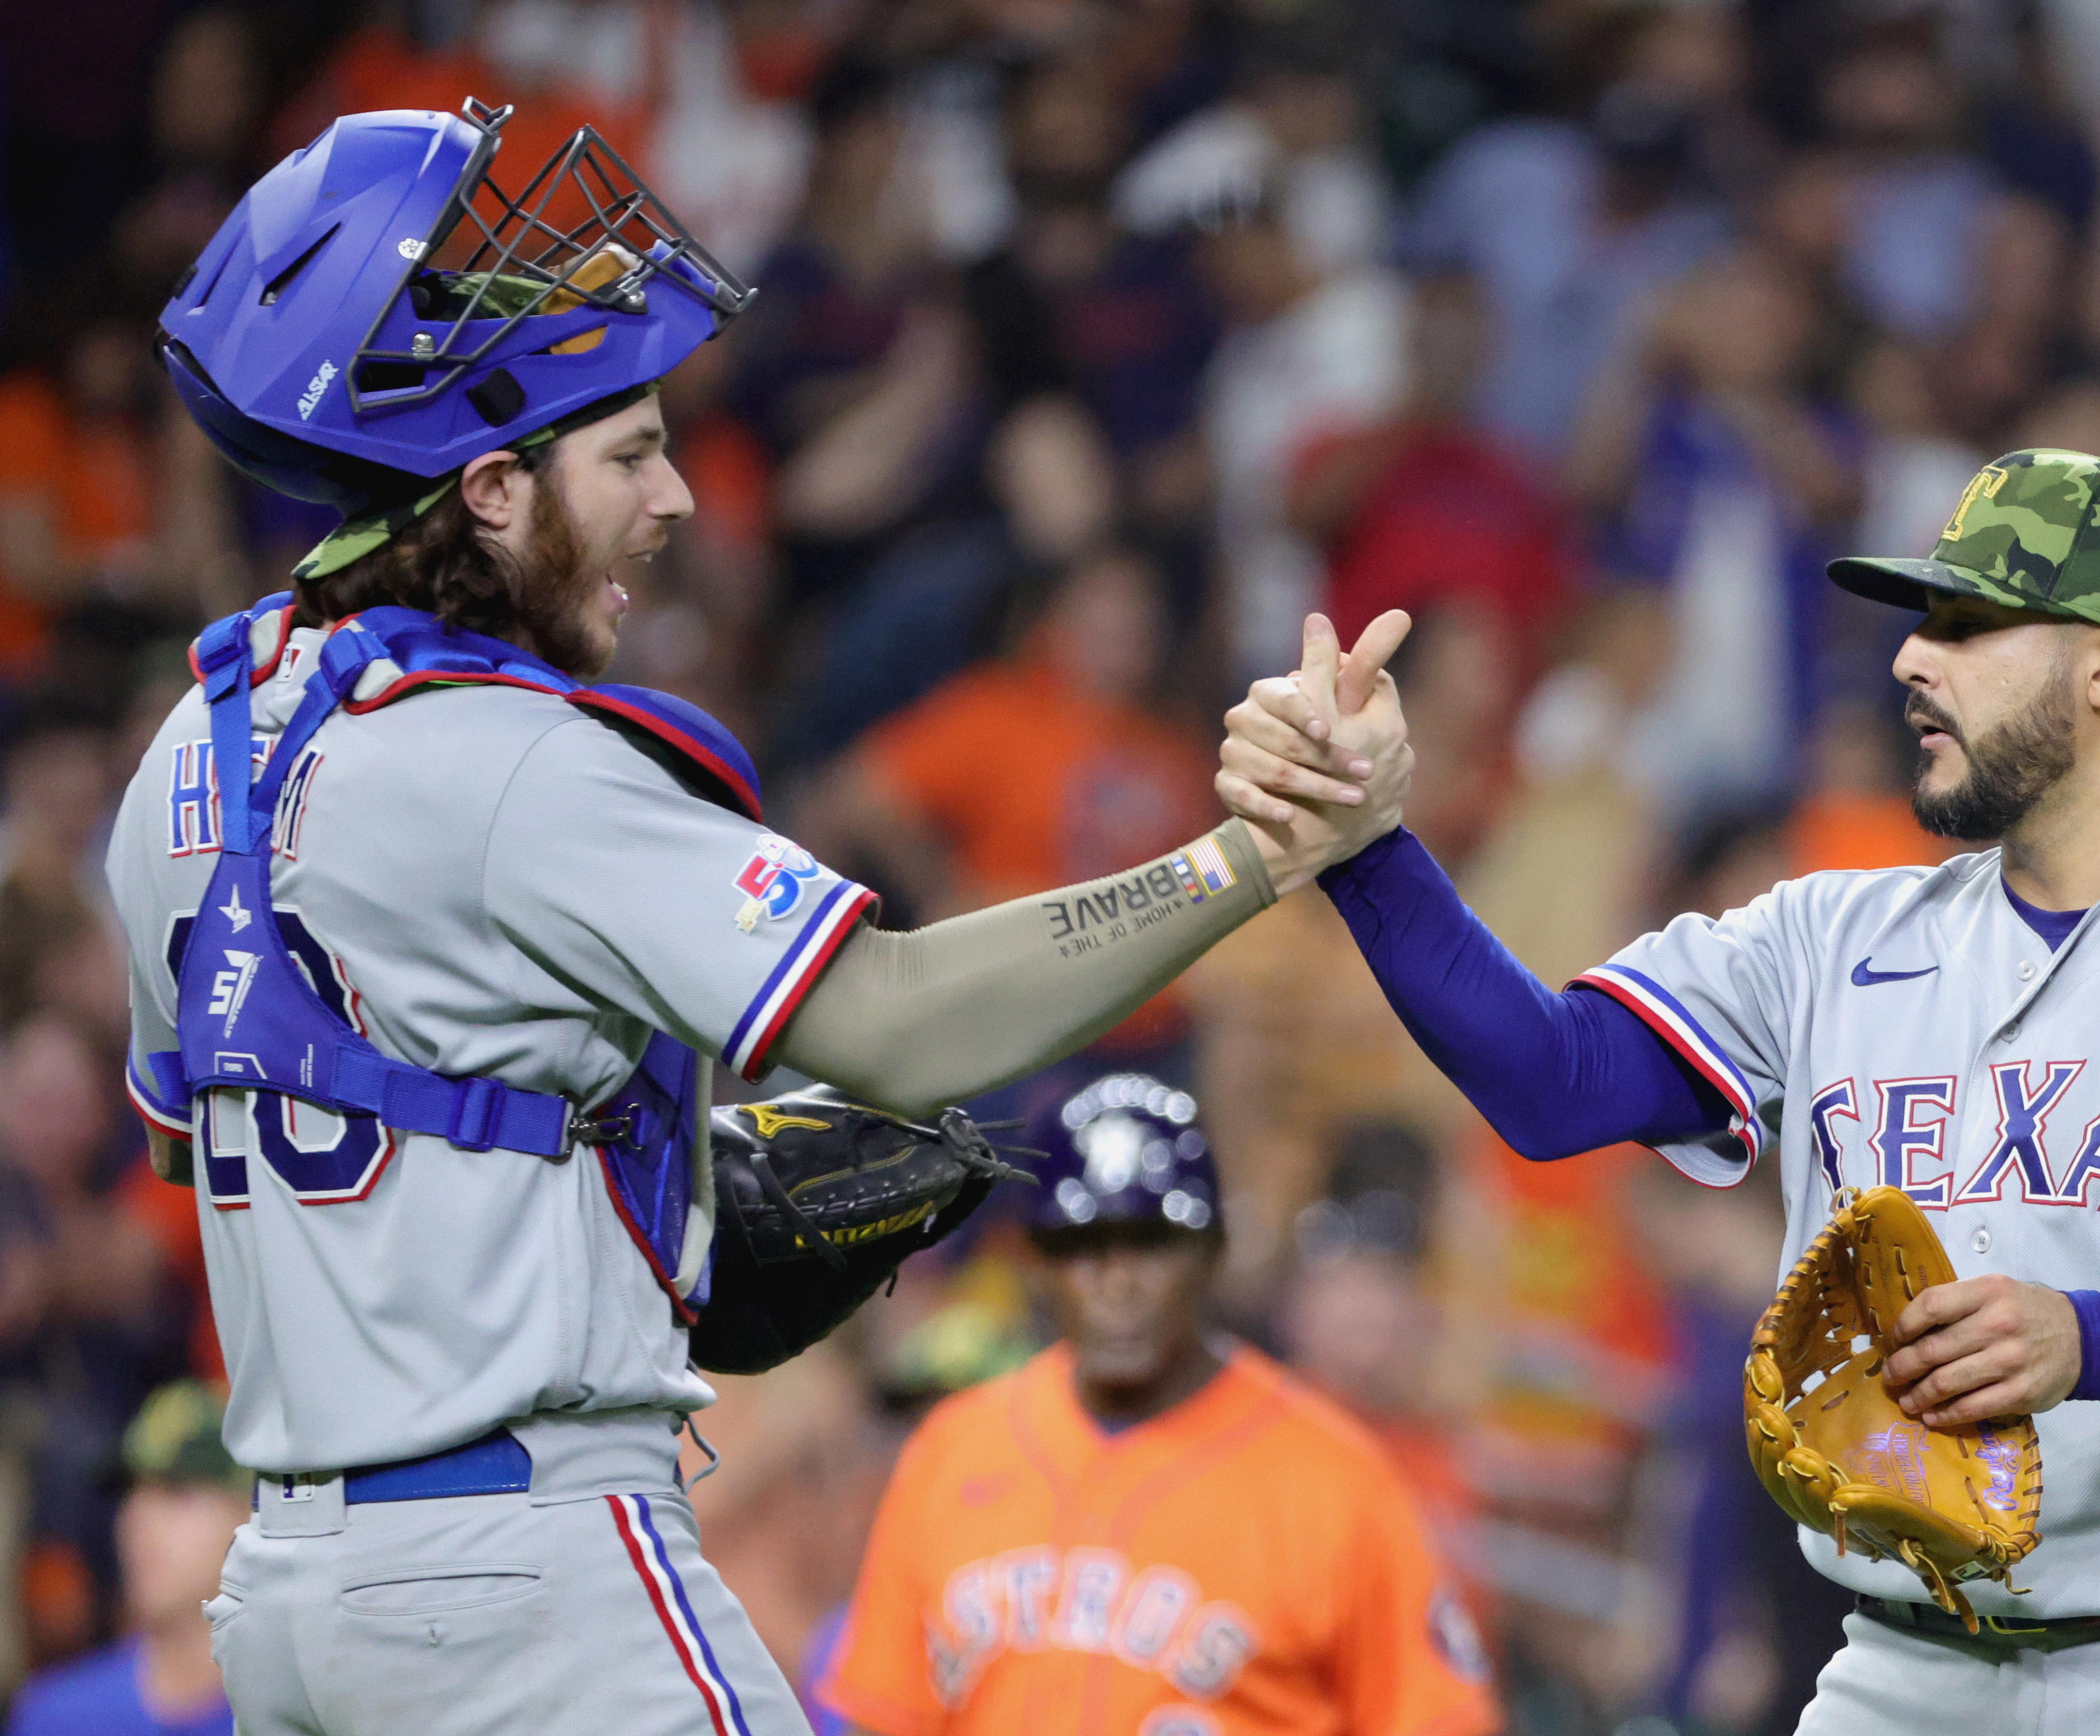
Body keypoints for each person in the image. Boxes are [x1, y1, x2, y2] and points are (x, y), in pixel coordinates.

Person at [110, 101, 1379, 1736]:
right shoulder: (511, 759)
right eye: (629, 450)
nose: (676, 499)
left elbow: (202, 1128)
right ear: (490, 488)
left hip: (289, 1595)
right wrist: (1254, 855)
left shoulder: (189, 751)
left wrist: (613, 1189)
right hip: (532, 1577)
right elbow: (900, 1017)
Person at [1216, 448, 2100, 1734]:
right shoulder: (1831, 937)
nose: (1910, 658)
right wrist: (1369, 851)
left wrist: (2092, 1337)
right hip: (1903, 1664)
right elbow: (1552, 1082)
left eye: (1967, 622)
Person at [811, 1072, 1499, 1736]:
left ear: (1212, 1253)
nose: (1118, 1283)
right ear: (1037, 1262)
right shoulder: (951, 1454)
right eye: (1084, 1247)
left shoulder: (1338, 1483)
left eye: (1149, 1245)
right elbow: (884, 1717)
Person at [6, 1381, 244, 1736]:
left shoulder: (305, 1714)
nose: (138, 1517)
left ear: (248, 1512)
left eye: (176, 1490)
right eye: (131, 1490)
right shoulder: (59, 1717)